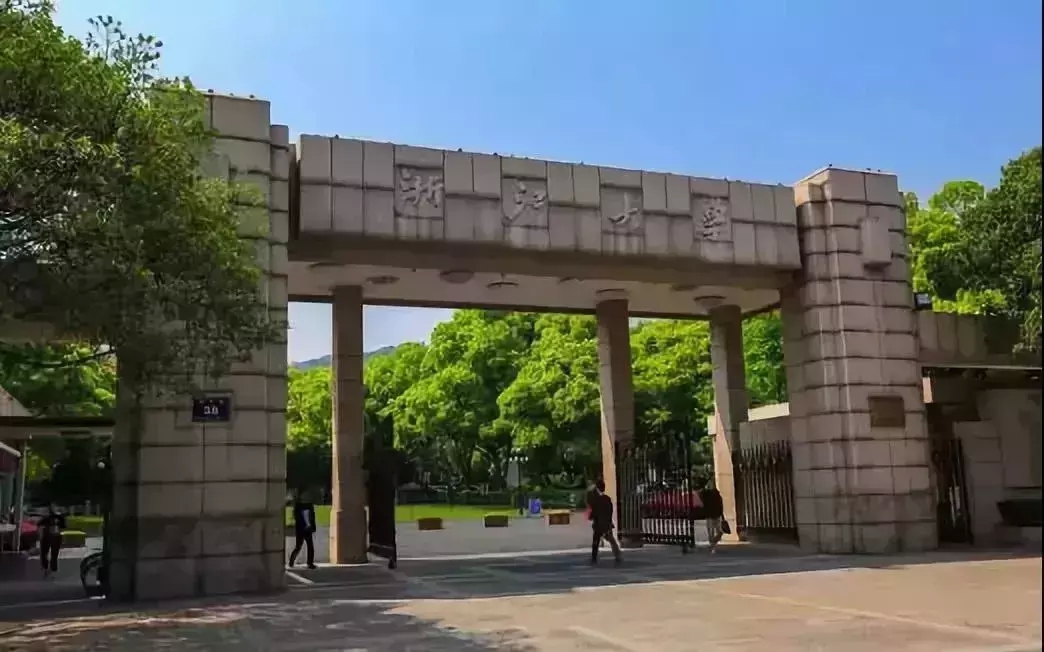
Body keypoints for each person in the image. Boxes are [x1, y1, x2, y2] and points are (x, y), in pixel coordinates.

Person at [589, 480, 622, 566]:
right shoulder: (607, 499)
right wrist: (609, 521)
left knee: (596, 541)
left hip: (598, 524)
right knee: (611, 540)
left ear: (597, 489)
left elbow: (594, 512)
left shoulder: (595, 500)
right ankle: (617, 555)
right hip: (607, 523)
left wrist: (591, 517)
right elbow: (610, 511)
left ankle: (594, 558)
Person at [288, 490, 317, 569]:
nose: (306, 496)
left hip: (308, 529)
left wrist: (313, 527)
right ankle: (291, 562)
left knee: (310, 546)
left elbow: (313, 517)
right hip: (301, 529)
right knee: (298, 546)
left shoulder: (310, 505)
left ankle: (310, 563)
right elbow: (297, 518)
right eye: (304, 495)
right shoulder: (298, 506)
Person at [37, 504, 65, 577]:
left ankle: (46, 567)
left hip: (48, 536)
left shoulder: (46, 518)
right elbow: (63, 526)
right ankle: (53, 568)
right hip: (56, 536)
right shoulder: (59, 517)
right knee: (53, 554)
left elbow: (39, 524)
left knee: (45, 552)